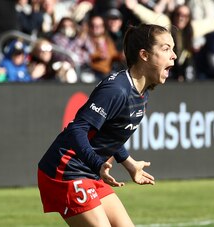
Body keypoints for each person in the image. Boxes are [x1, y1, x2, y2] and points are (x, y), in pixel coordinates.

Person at [37, 23, 177, 226]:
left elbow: (109, 131)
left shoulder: (141, 92)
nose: (174, 55)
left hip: (88, 171)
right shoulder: (116, 89)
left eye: (172, 49)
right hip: (65, 170)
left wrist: (128, 163)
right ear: (144, 55)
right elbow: (77, 128)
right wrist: (97, 163)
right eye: (166, 49)